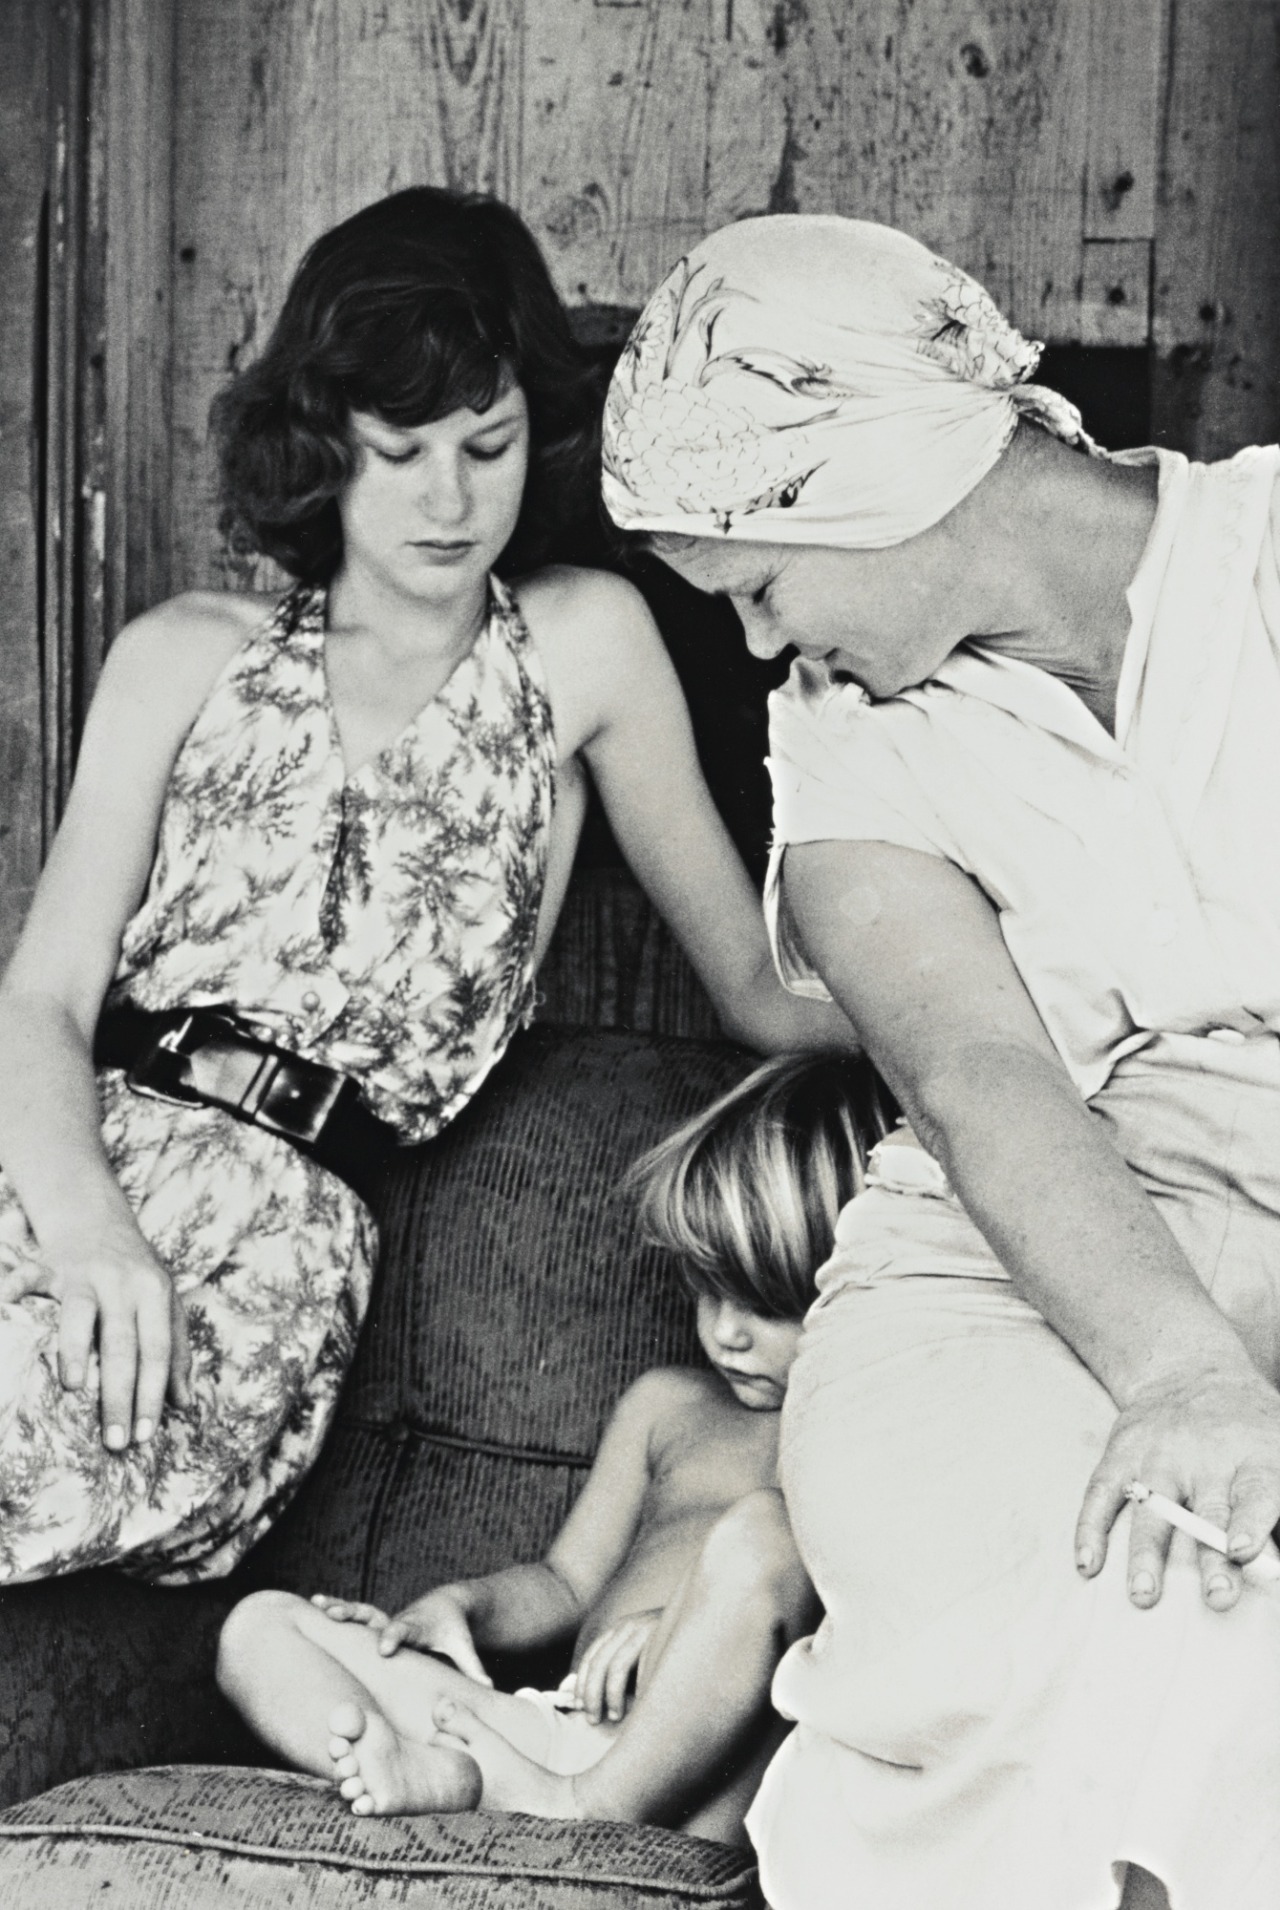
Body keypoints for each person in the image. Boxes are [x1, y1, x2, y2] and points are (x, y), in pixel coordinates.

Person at [0, 188, 854, 1589]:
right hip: (60, 1174)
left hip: (264, 1249)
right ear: (322, 440)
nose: (450, 500)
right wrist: (91, 1231)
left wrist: (1012, 1028)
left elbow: (757, 987)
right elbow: (39, 1000)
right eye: (400, 450)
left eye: (488, 445)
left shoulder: (584, 645)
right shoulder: (181, 653)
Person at [602, 214, 1280, 1909]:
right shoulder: (840, 742)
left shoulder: (1265, 555)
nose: (759, 650)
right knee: (1144, 1588)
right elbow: (982, 1074)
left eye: (756, 588)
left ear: (872, 480)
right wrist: (1180, 1369)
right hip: (1003, 1271)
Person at [216, 1051, 887, 1840]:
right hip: (553, 1739)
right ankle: (444, 1775)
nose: (725, 1334)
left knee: (765, 1535)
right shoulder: (667, 1408)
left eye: (766, 1304)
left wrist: (678, 1627)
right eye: (708, 1289)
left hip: (700, 1777)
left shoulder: (867, 1434)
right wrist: (465, 1607)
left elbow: (844, 1616)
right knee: (260, 1627)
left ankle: (584, 1808)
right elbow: (566, 1582)